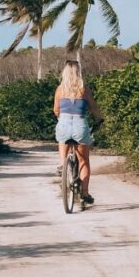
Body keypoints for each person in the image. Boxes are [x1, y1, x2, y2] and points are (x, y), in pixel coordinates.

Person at [53, 60, 103, 205]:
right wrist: (100, 118)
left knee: (63, 144)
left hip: (64, 124)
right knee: (84, 160)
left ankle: (62, 165)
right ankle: (85, 193)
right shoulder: (84, 90)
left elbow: (56, 110)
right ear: (78, 72)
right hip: (80, 126)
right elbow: (93, 109)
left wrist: (62, 118)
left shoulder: (60, 89)